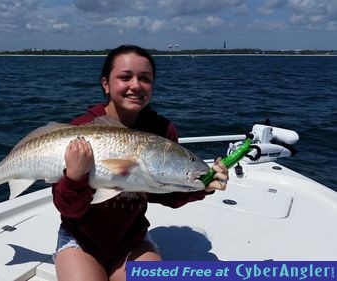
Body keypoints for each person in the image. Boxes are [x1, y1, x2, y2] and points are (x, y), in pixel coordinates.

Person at [52, 44, 229, 281]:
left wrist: (201, 187)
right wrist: (75, 178)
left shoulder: (162, 130)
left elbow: (163, 194)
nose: (136, 85)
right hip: (80, 239)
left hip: (131, 240)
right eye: (125, 77)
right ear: (105, 83)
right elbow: (68, 208)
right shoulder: (80, 131)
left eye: (145, 78)